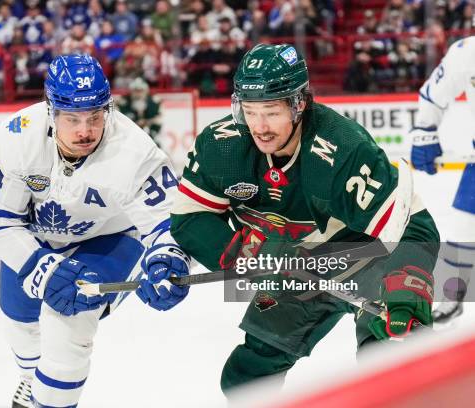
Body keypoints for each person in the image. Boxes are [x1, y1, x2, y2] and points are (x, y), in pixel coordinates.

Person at [170, 44, 440, 393]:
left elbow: (412, 225)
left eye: (271, 111)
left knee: (389, 360)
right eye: (250, 112)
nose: (259, 127)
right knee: (247, 378)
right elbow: (190, 218)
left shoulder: (342, 149)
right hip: (291, 266)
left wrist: (407, 288)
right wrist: (254, 253)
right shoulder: (221, 147)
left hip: (365, 255)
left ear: (298, 104)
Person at [0, 54, 190, 408]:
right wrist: (39, 266)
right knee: (20, 321)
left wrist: (168, 257)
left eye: (94, 117)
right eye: (72, 119)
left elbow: (169, 223)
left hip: (111, 239)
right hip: (36, 236)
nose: (85, 131)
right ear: (50, 111)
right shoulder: (17, 137)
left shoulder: (136, 152)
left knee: (69, 326)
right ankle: (32, 381)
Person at [409, 36, 475, 323]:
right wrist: (425, 132)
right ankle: (452, 297)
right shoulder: (467, 53)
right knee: (462, 228)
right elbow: (434, 94)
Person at [115, 77, 162, 142]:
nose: (138, 94)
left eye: (141, 90)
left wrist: (146, 122)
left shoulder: (154, 102)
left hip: (150, 136)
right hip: (128, 136)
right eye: (136, 90)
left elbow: (158, 120)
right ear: (131, 91)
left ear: (146, 91)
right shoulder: (123, 102)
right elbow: (117, 120)